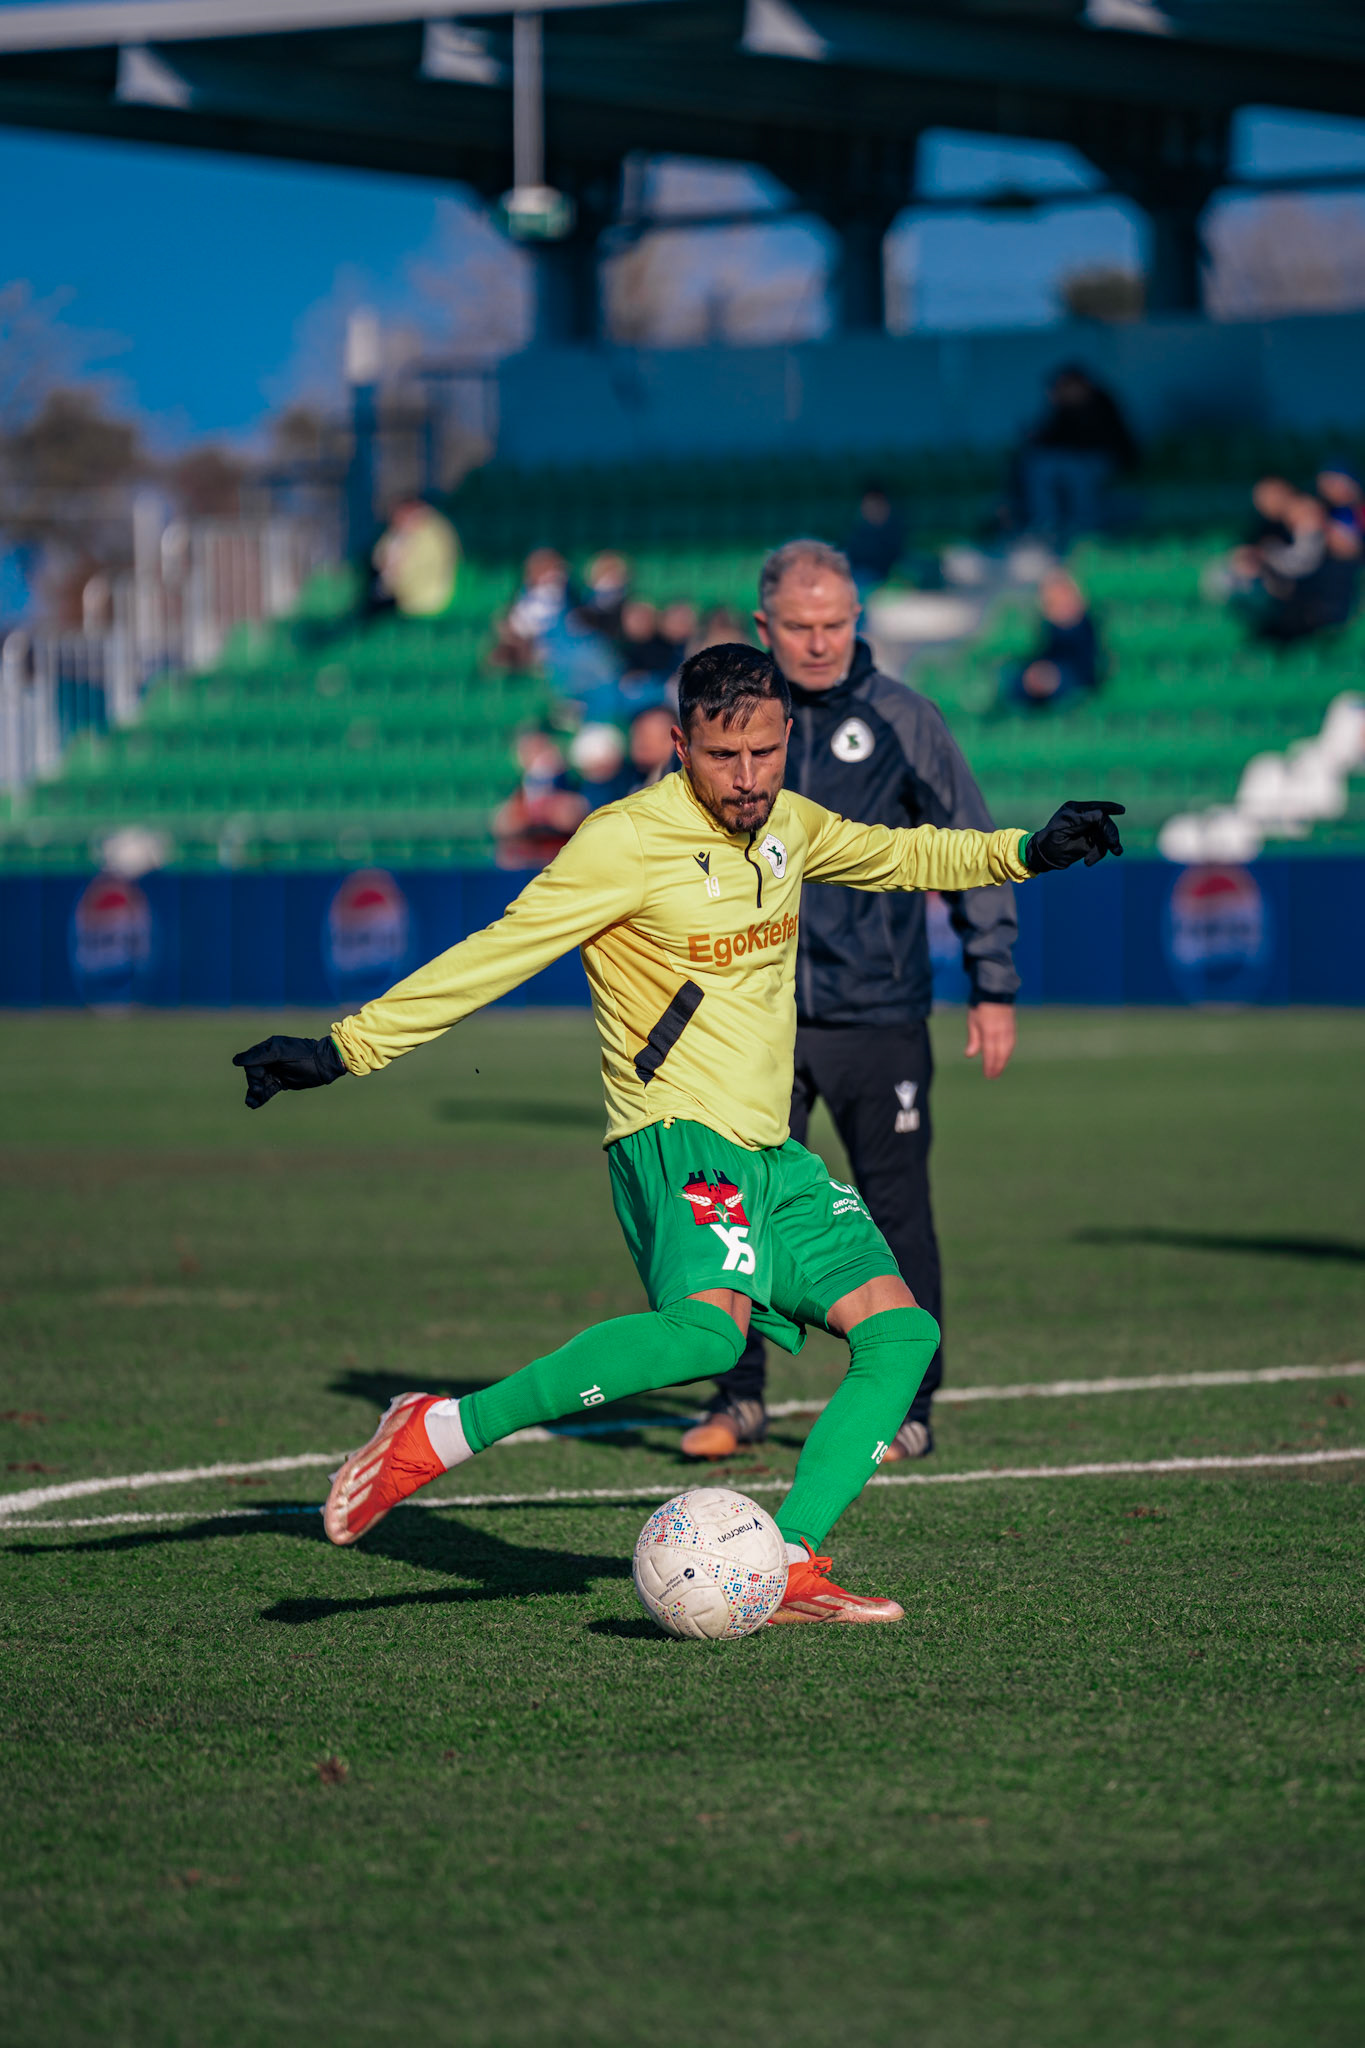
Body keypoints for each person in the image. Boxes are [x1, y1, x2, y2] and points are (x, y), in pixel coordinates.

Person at [233, 645, 1122, 1624]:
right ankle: (441, 1428)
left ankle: (788, 1560)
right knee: (708, 1330)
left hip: (772, 1153)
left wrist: (1029, 850)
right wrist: (344, 1048)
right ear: (678, 744)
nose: (748, 778)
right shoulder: (623, 841)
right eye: (723, 755)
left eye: (767, 751)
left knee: (903, 1333)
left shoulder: (788, 821)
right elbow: (494, 954)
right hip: (671, 1130)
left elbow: (903, 852)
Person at [683, 540, 1027, 1466]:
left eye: (835, 622)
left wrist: (991, 981)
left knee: (894, 1212)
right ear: (764, 628)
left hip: (876, 1014)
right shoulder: (736, 723)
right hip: (753, 1022)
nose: (820, 641)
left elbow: (970, 840)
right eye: (799, 626)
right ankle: (738, 1394)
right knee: (732, 1214)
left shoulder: (902, 717)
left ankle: (907, 1406)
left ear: (857, 621)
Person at [1019, 365, 1137, 549]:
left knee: (1078, 472)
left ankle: (1087, 528)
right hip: (1071, 461)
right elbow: (1049, 439)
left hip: (1105, 460)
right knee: (1041, 467)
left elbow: (1101, 441)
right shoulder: (1061, 408)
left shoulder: (1102, 402)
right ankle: (1045, 524)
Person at [1000, 571, 1102, 709]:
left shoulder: (1087, 625)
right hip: (1044, 673)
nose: (1060, 601)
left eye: (1063, 595)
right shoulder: (1044, 626)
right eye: (1053, 599)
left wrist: (1051, 675)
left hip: (1073, 679)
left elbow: (1087, 666)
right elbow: (1037, 654)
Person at [368, 500, 459, 619]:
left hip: (422, 600)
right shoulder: (398, 534)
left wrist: (396, 582)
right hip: (394, 590)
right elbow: (379, 555)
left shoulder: (431, 537)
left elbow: (425, 573)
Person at [844, 483, 906, 596]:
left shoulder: (895, 533)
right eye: (869, 505)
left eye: (878, 505)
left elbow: (898, 565)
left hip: (884, 583)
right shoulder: (857, 534)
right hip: (860, 581)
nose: (874, 510)